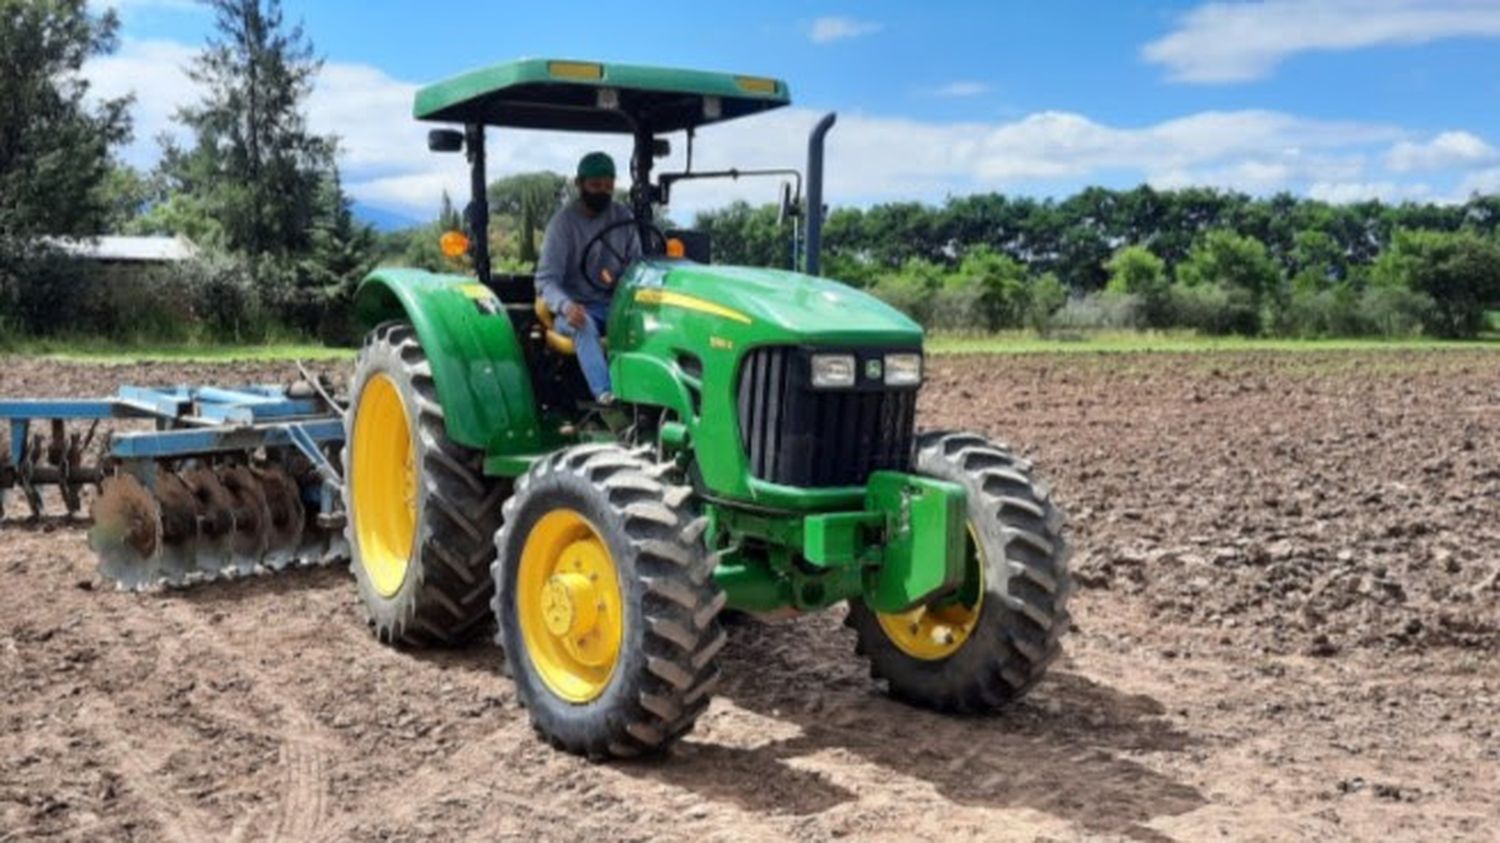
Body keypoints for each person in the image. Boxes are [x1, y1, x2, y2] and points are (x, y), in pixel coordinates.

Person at [535, 151, 641, 403]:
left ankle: (647, 394)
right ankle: (607, 397)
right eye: (595, 185)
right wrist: (566, 305)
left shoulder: (623, 217)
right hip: (576, 308)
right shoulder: (563, 224)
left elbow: (637, 266)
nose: (602, 192)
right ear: (579, 184)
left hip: (613, 305)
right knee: (583, 325)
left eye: (608, 186)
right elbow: (545, 280)